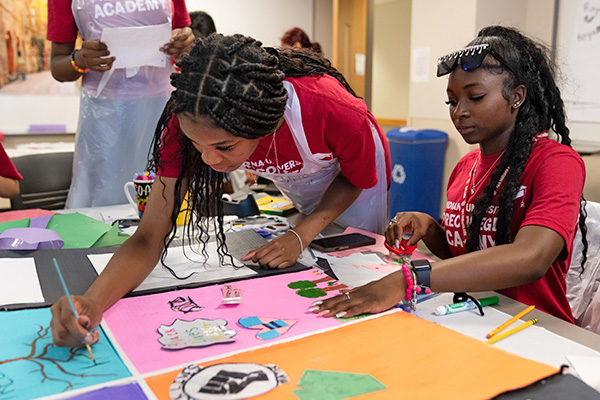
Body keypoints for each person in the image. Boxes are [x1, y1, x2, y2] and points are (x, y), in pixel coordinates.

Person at [50, 33, 391, 347]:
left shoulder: (332, 109)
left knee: (354, 265)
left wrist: (299, 235)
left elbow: (356, 179)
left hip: (353, 179)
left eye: (225, 147)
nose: (209, 160)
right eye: (197, 145)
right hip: (299, 177)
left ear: (265, 125)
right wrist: (93, 301)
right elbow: (148, 236)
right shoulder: (185, 122)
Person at [310, 26, 589, 323]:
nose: (459, 112)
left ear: (517, 96)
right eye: (452, 101)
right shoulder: (465, 166)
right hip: (474, 316)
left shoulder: (556, 162)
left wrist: (408, 279)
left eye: (476, 97)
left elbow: (532, 257)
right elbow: (464, 254)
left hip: (534, 327)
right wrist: (429, 227)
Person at [47, 0, 194, 208]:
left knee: (169, 204)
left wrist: (186, 43)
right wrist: (80, 59)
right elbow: (57, 65)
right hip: (104, 122)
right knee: (103, 208)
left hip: (164, 111)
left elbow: (184, 38)